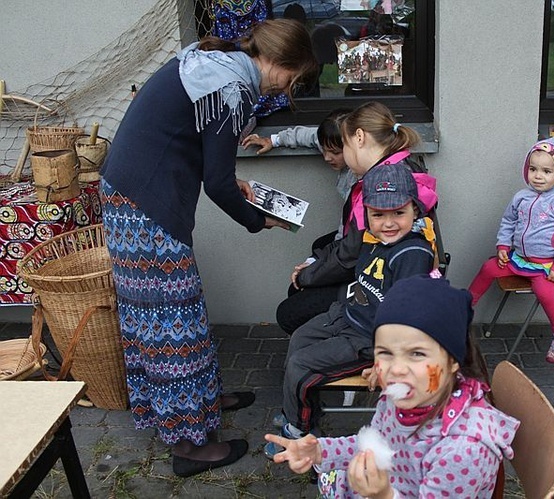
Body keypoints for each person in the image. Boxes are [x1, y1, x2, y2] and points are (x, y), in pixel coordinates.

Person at [99, 19, 318, 478]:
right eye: (292, 79)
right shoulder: (231, 89)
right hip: (144, 206)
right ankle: (188, 445)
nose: (285, 89)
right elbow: (218, 184)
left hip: (134, 197)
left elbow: (195, 149)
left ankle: (202, 401)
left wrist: (227, 179)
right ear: (278, 63)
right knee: (169, 323)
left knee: (180, 311)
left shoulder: (215, 65)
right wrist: (260, 220)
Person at [265, 274, 519, 498]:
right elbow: (374, 443)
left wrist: (383, 495)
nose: (396, 369)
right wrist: (320, 451)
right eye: (385, 352)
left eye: (417, 354)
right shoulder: (402, 397)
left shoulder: (462, 450)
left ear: (454, 361)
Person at [264, 162, 438, 458]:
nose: (389, 223)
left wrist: (387, 360)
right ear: (367, 213)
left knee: (301, 365)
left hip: (368, 339)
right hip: (347, 314)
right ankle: (305, 411)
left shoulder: (412, 253)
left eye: (399, 213)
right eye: (378, 214)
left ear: (415, 210)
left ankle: (298, 430)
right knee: (298, 340)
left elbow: (409, 318)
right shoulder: (372, 238)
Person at [277, 101, 439, 334]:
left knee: (288, 313)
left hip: (375, 286)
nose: (341, 154)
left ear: (359, 138)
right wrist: (314, 265)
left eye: (343, 145)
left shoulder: (379, 188)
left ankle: (340, 349)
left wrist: (307, 275)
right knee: (306, 276)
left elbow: (350, 256)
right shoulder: (399, 166)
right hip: (376, 270)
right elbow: (350, 243)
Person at [242, 109, 361, 334]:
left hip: (356, 267)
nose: (327, 157)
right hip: (347, 248)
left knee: (288, 312)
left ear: (355, 146)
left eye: (334, 152)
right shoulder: (338, 146)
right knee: (317, 247)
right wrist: (273, 140)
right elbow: (309, 136)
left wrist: (312, 270)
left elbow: (347, 244)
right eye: (325, 150)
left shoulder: (366, 183)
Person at [467, 138, 554, 364]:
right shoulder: (521, 197)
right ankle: (463, 308)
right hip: (520, 258)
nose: (538, 176)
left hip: (547, 264)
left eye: (547, 171)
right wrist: (503, 245)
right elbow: (508, 221)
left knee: (544, 292)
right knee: (489, 267)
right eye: (533, 169)